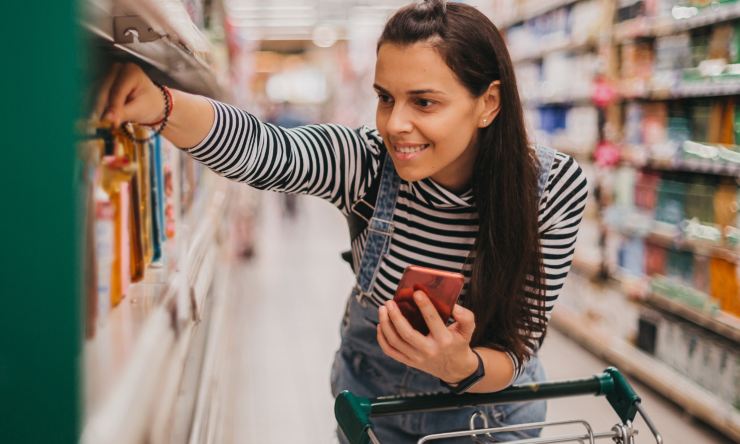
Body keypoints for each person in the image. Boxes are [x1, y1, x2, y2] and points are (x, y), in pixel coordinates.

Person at [96, 1, 588, 441]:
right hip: (376, 407)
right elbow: (267, 149)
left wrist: (461, 365)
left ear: (488, 103)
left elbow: (519, 343)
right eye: (385, 97)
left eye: (425, 102)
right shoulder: (368, 162)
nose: (395, 124)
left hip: (490, 416)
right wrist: (162, 105)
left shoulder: (550, 188)